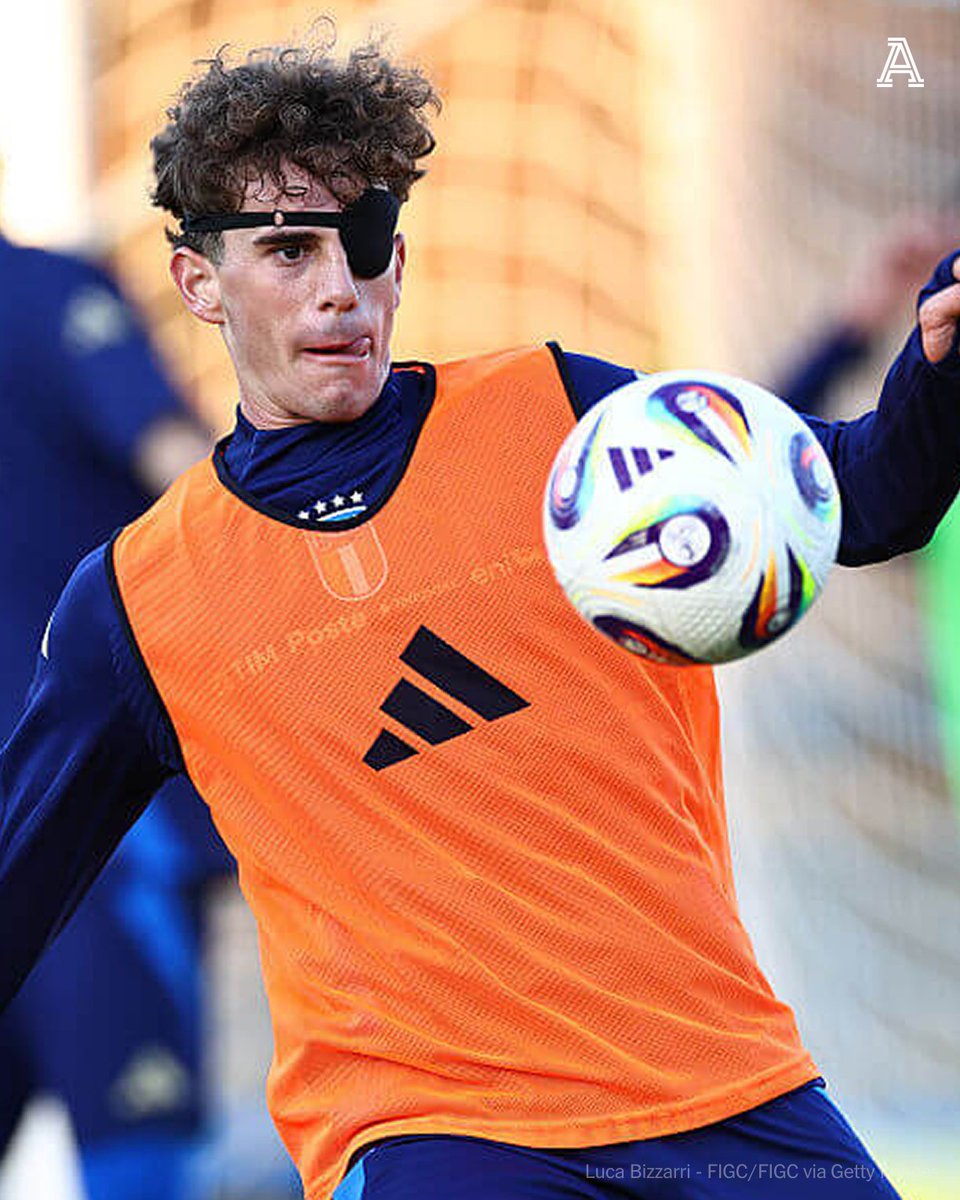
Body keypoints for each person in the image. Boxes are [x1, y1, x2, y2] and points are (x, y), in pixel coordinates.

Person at [3, 36, 960, 1200]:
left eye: (363, 249)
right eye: (289, 251)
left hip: (723, 1095)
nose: (335, 291)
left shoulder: (557, 414)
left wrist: (938, 366)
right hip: (438, 1137)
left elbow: (862, 502)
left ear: (398, 263)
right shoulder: (139, 602)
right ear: (200, 281)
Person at [0, 229, 234, 1200]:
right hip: (87, 840)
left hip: (83, 826)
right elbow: (189, 470)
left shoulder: (41, 297)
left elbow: (181, 466)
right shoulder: (48, 292)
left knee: (137, 1160)